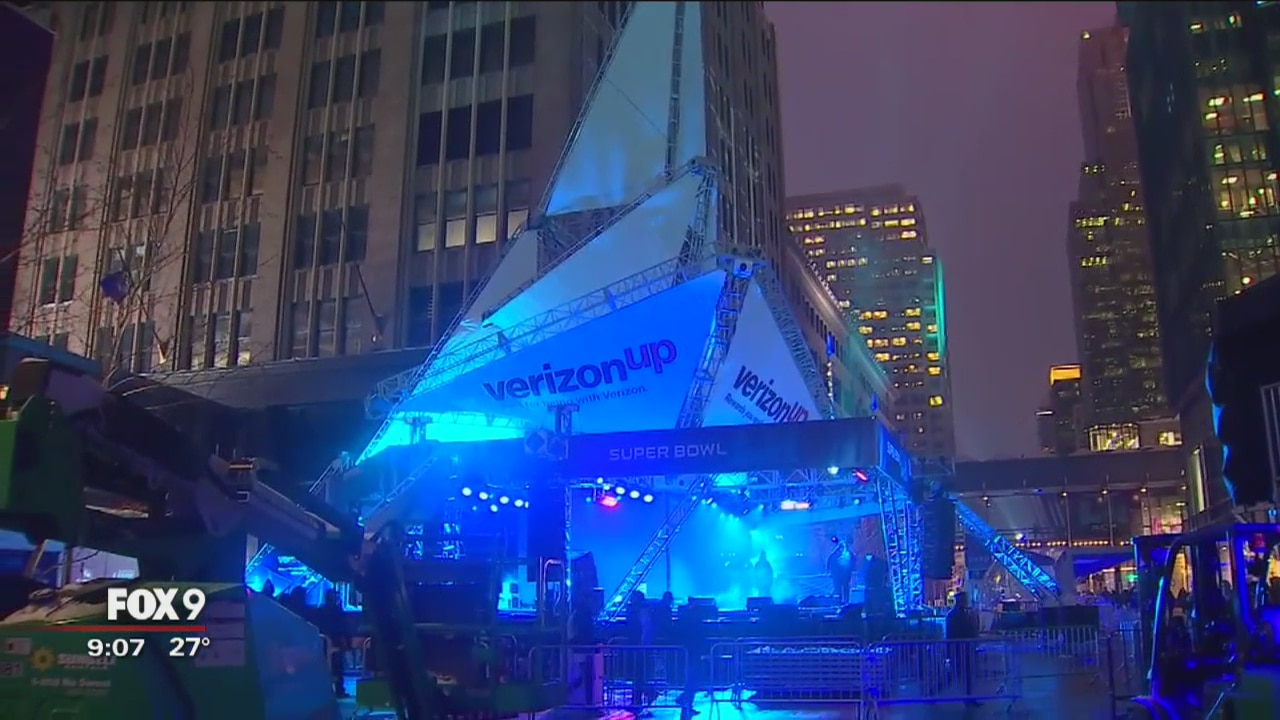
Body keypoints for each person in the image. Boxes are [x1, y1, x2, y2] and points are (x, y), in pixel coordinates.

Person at [945, 591, 980, 706]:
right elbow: (951, 633)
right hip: (959, 649)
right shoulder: (954, 615)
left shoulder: (963, 614)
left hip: (966, 648)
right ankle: (933, 691)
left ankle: (970, 698)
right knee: (956, 674)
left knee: (966, 675)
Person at [318, 589, 351, 698]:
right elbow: (343, 626)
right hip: (336, 641)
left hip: (323, 642)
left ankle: (324, 690)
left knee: (324, 667)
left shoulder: (321, 610)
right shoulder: (337, 610)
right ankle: (339, 690)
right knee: (338, 667)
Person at [826, 537, 852, 604]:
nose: (842, 549)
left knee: (846, 589)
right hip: (837, 576)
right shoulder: (834, 556)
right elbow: (830, 564)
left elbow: (852, 564)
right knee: (838, 589)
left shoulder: (848, 555)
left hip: (846, 576)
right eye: (841, 547)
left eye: (844, 547)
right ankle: (838, 602)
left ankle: (846, 602)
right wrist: (830, 572)